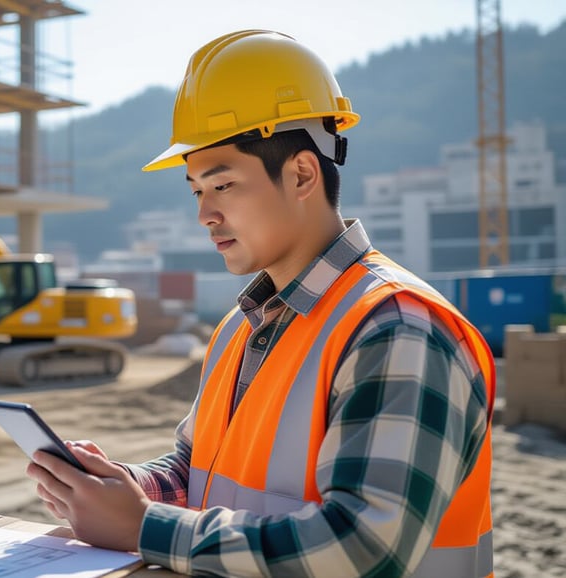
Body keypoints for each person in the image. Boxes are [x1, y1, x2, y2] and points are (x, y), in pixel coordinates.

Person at [26, 30, 495, 577]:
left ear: (300, 174)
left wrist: (141, 526)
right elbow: (199, 468)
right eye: (196, 190)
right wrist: (124, 489)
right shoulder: (240, 327)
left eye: (222, 185)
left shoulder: (398, 326)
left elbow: (366, 545)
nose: (204, 214)